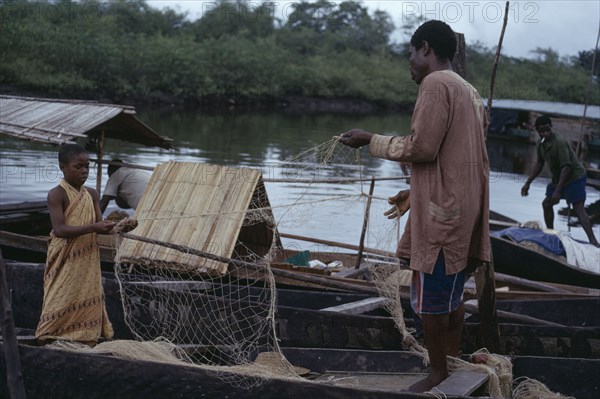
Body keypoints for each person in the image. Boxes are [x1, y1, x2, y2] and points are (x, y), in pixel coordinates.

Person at [339, 20, 490, 392]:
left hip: (444, 216)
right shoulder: (468, 90)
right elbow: (457, 156)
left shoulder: (435, 84)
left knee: (432, 303)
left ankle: (438, 374)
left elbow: (422, 147)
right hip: (463, 209)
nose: (409, 62)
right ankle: (450, 367)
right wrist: (415, 193)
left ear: (425, 48)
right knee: (452, 295)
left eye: (410, 53)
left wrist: (370, 140)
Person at [36, 143, 116, 346]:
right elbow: (60, 230)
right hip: (63, 256)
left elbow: (100, 225)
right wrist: (95, 227)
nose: (84, 171)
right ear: (63, 167)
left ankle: (85, 338)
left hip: (87, 256)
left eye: (87, 166)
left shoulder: (92, 194)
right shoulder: (57, 194)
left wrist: (118, 227)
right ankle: (48, 337)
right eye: (78, 166)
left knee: (87, 292)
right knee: (59, 295)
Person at [521, 116, 599, 247]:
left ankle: (594, 242)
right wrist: (528, 183)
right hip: (560, 178)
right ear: (537, 131)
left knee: (578, 209)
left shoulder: (559, 143)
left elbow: (566, 168)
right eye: (542, 131)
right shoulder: (540, 143)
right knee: (546, 204)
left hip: (575, 177)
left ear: (551, 127)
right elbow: (539, 163)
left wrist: (557, 191)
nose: (545, 133)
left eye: (547, 130)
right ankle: (551, 234)